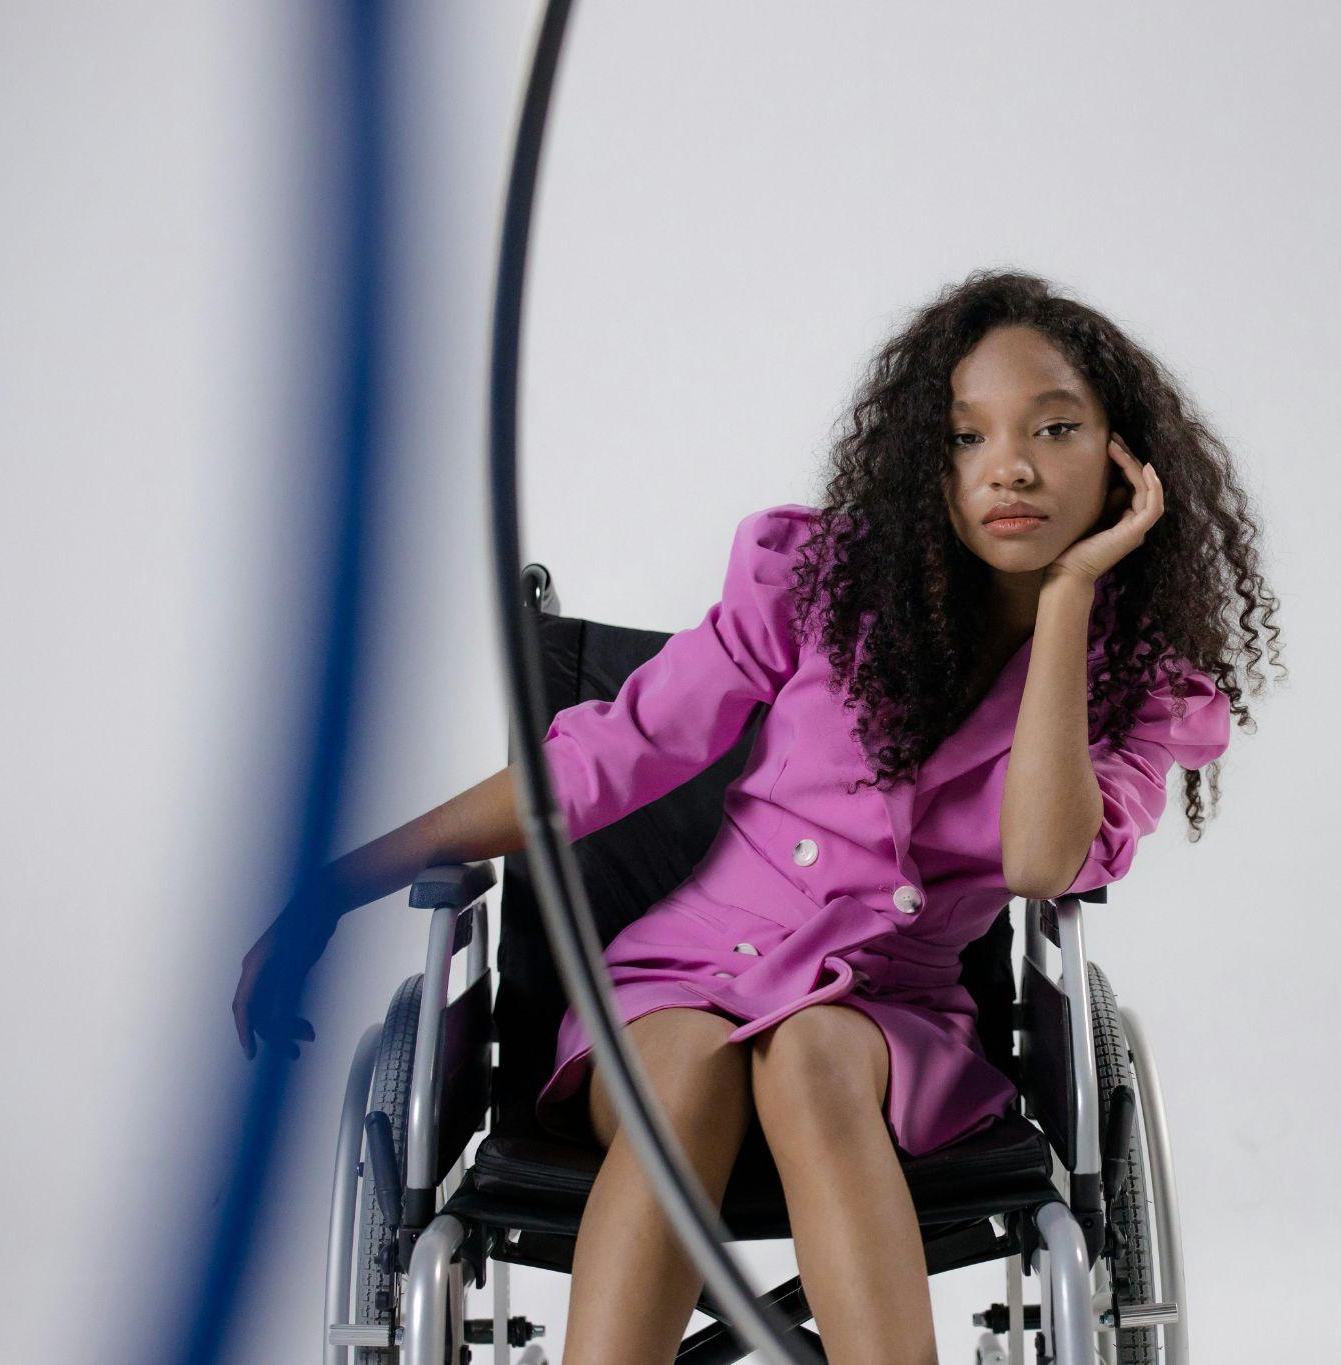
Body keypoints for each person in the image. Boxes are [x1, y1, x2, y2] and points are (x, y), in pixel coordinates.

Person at [233, 268, 1283, 1364]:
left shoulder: (1141, 691)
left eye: (1053, 428)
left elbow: (1038, 861)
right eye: (964, 437)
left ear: (1124, 456)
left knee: (815, 1053)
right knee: (681, 1073)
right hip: (679, 979)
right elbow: (606, 760)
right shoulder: (823, 588)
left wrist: (1066, 604)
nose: (1007, 467)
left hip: (888, 1017)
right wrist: (334, 884)